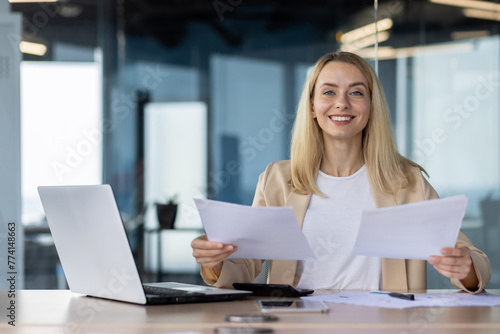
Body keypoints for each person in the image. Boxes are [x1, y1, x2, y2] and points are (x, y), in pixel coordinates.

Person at [191, 51, 491, 293]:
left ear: (371, 106)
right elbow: (247, 262)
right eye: (329, 91)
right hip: (297, 326)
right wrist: (214, 261)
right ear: (312, 106)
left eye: (356, 92)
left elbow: (468, 255)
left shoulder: (407, 181)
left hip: (386, 328)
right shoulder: (278, 180)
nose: (342, 103)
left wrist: (466, 269)